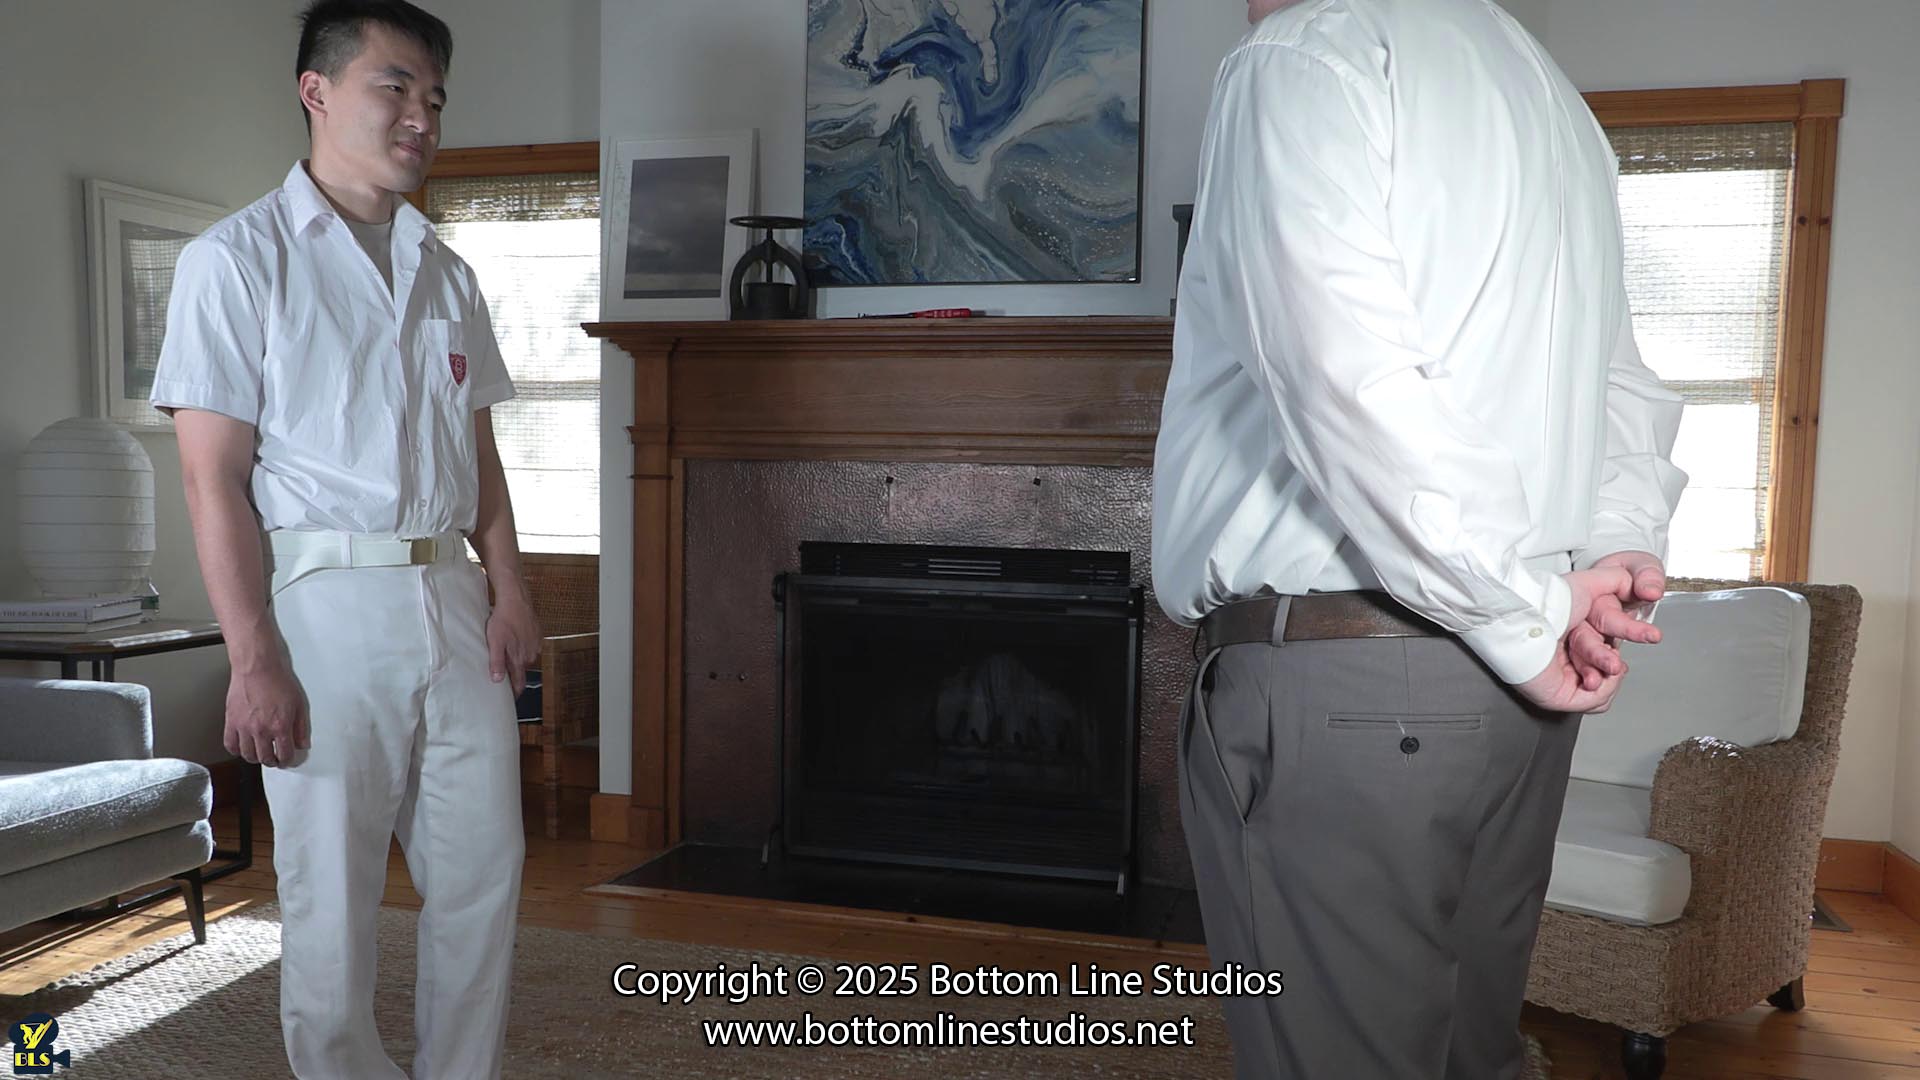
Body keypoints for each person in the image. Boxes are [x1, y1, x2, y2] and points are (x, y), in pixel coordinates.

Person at [1151, 0, 1688, 1075]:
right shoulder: (1546, 94)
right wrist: (1610, 549)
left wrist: (1521, 616)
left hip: (1357, 687)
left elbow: (1343, 379)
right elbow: (1622, 381)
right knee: (1472, 1056)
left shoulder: (1303, 53)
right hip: (1510, 705)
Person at [150, 2, 539, 1076]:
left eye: (436, 98)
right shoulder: (235, 261)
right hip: (324, 604)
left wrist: (511, 589)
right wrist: (253, 659)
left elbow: (477, 454)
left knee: (483, 882)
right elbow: (212, 479)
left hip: (455, 603)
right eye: (396, 87)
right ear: (316, 91)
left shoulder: (447, 272)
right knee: (331, 898)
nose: (423, 117)